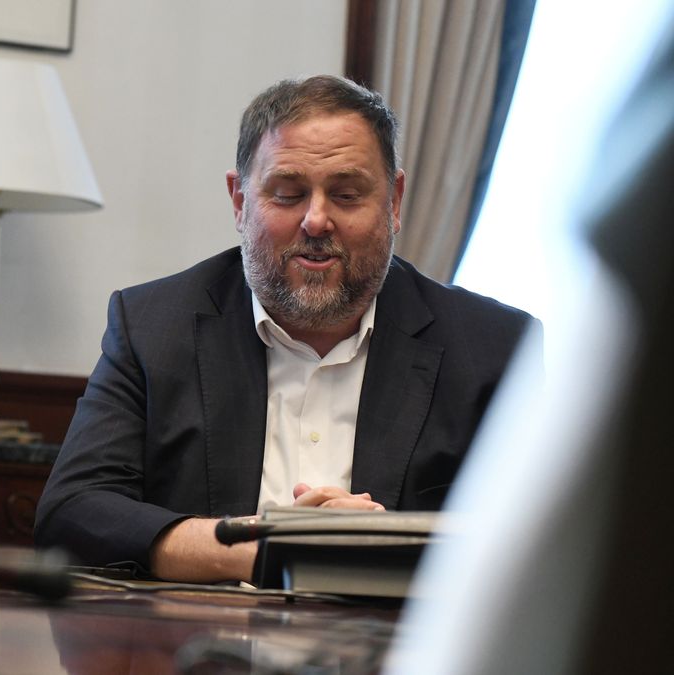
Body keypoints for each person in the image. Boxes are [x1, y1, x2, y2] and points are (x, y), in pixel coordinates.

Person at [34, 75, 535, 582]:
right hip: (197, 647)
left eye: (346, 194)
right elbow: (73, 513)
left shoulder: (495, 351)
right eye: (288, 193)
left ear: (394, 201)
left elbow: (538, 543)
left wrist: (384, 548)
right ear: (239, 200)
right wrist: (267, 551)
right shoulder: (151, 326)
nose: (316, 221)